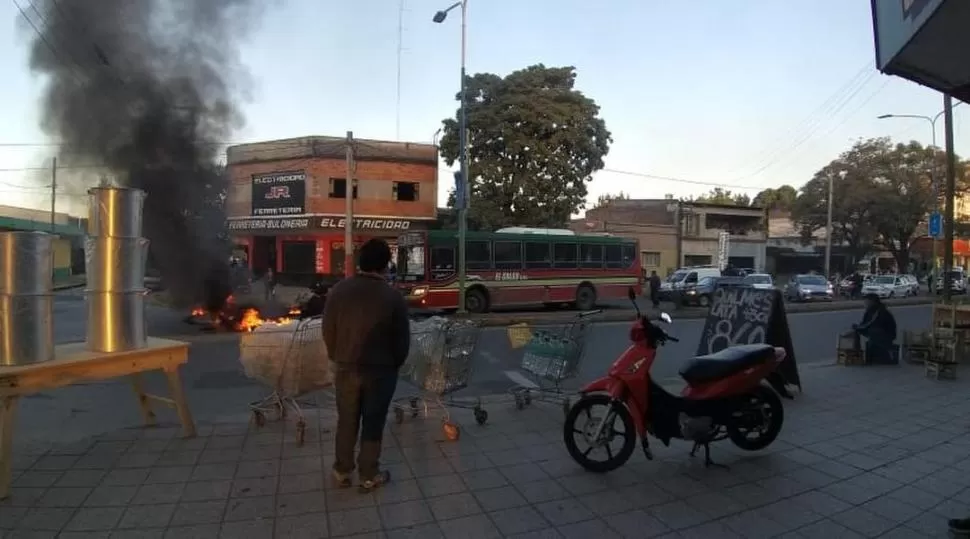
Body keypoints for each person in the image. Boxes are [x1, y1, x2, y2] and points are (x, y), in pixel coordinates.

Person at [322, 238, 410, 493]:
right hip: (381, 372)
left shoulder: (339, 291)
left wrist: (337, 355)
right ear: (385, 265)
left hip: (346, 367)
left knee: (347, 420)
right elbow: (402, 340)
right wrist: (394, 364)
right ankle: (369, 474)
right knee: (373, 421)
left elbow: (328, 330)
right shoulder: (393, 297)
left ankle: (342, 470)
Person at [851, 293, 898, 364]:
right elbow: (864, 323)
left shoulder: (880, 311)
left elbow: (871, 323)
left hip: (887, 334)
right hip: (877, 331)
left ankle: (887, 350)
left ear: (872, 302)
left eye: (867, 301)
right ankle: (857, 354)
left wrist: (858, 327)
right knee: (856, 331)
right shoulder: (869, 311)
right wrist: (856, 328)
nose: (865, 303)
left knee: (872, 332)